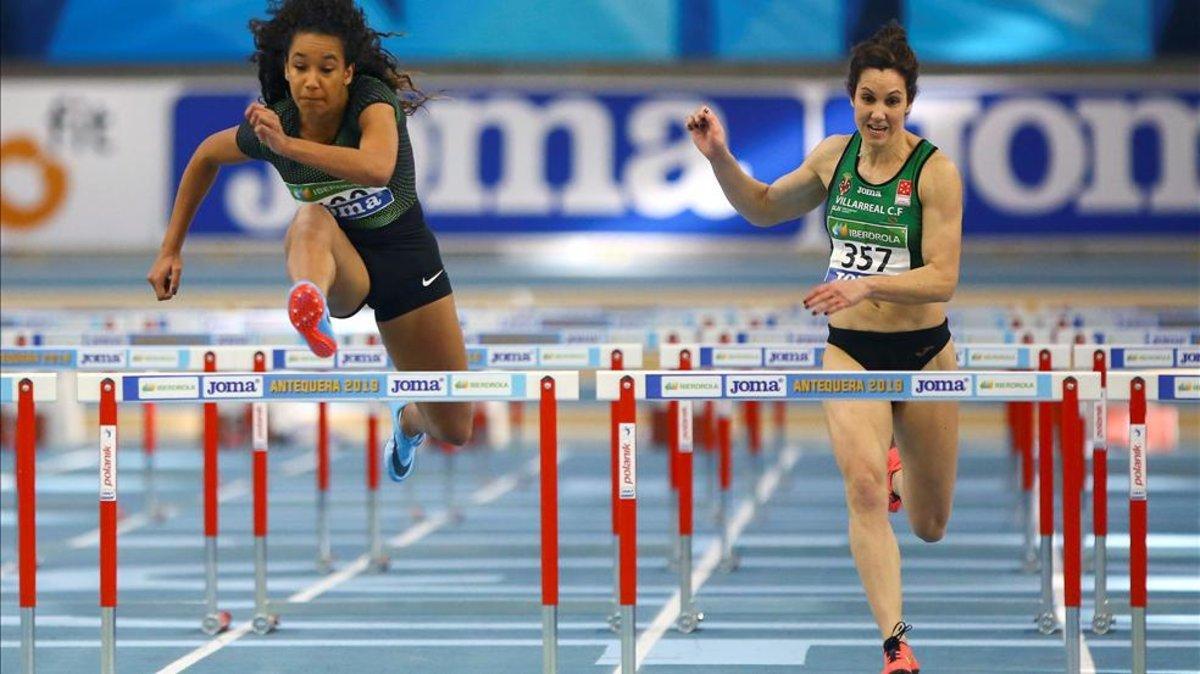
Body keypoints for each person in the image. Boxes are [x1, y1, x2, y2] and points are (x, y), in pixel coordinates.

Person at [687, 20, 961, 674]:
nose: (879, 112)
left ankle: (901, 469)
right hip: (850, 353)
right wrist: (720, 156)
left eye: (892, 101)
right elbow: (759, 207)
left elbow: (943, 277)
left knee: (929, 525)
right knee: (863, 490)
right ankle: (895, 644)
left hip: (924, 352)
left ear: (908, 105)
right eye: (868, 98)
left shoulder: (935, 173)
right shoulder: (832, 158)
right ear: (852, 99)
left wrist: (864, 284)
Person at [146, 0, 471, 483]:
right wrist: (171, 249)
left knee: (455, 428)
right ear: (286, 69)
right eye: (300, 67)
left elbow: (377, 168)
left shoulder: (372, 101)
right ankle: (310, 303)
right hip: (341, 267)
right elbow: (204, 157)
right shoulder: (277, 121)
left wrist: (288, 148)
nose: (311, 80)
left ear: (348, 72)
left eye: (326, 67)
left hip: (406, 260)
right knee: (311, 216)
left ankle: (408, 418)